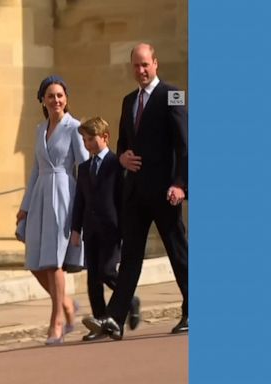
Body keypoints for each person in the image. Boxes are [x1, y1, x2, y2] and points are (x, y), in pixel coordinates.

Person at [83, 42, 188, 339]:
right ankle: (115, 319)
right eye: (136, 66)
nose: (141, 71)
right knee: (129, 258)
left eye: (145, 64)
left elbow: (185, 145)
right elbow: (121, 144)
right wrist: (124, 157)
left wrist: (180, 184)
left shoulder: (174, 94)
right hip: (135, 195)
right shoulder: (128, 100)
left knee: (178, 252)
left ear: (155, 63)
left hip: (166, 193)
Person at [16, 75, 89, 345]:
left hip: (64, 195)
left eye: (60, 95)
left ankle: (57, 320)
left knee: (54, 261)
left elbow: (84, 166)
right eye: (50, 96)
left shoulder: (74, 127)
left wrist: (86, 203)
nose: (56, 100)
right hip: (40, 197)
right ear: (43, 101)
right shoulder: (39, 129)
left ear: (66, 98)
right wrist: (24, 208)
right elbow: (36, 169)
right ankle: (68, 304)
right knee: (35, 260)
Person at [70, 117, 140, 341]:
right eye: (84, 140)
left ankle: (129, 300)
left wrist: (126, 228)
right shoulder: (83, 168)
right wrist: (75, 229)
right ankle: (100, 322)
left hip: (112, 228)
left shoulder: (115, 164)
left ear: (105, 137)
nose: (87, 144)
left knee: (107, 271)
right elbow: (79, 201)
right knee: (93, 279)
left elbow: (122, 199)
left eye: (91, 139)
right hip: (91, 230)